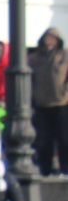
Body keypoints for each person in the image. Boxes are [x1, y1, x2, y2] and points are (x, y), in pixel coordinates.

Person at [30, 27, 68, 175]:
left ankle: (65, 168)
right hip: (42, 104)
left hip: (62, 103)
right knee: (44, 140)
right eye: (47, 38)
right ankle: (45, 169)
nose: (50, 41)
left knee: (64, 138)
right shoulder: (36, 58)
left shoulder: (64, 56)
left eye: (53, 38)